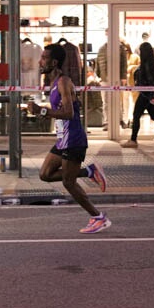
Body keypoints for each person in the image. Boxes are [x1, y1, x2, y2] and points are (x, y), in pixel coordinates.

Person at [27, 43, 110, 234]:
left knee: (68, 182)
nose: (40, 61)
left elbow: (69, 113)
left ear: (54, 62)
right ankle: (89, 171)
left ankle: (98, 217)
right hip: (63, 138)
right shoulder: (52, 82)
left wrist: (43, 111)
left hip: (73, 138)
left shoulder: (64, 81)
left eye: (44, 58)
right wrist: (42, 112)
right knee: (45, 175)